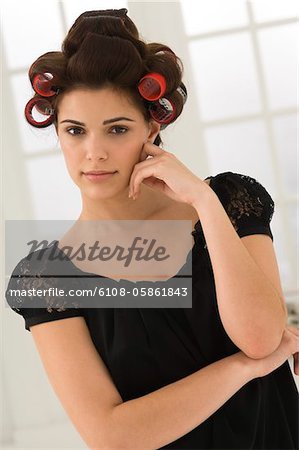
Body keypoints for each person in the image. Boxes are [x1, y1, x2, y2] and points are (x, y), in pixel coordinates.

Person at [5, 8, 299, 450]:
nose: (94, 152)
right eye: (75, 131)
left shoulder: (230, 204)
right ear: (59, 135)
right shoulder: (46, 278)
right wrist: (243, 369)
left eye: (117, 129)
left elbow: (259, 338)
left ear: (152, 127)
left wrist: (203, 199)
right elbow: (112, 435)